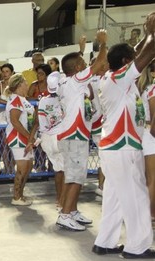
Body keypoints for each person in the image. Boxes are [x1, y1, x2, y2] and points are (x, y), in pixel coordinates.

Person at [93, 16, 155, 258]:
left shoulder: (114, 78)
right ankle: (137, 247)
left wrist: (143, 41)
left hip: (113, 148)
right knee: (137, 195)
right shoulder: (119, 78)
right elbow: (147, 53)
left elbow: (139, 52)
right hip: (122, 147)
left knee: (116, 198)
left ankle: (105, 242)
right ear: (126, 63)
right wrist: (151, 31)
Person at [55, 30, 108, 231]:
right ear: (78, 69)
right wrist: (102, 44)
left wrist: (80, 51)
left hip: (70, 134)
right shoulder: (76, 81)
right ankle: (66, 214)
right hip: (74, 134)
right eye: (83, 65)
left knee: (73, 175)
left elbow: (75, 65)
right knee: (77, 177)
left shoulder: (65, 80)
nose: (87, 67)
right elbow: (99, 63)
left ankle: (72, 210)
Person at [5, 74, 38, 206]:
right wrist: (29, 137)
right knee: (22, 168)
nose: (27, 85)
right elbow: (15, 121)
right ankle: (16, 197)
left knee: (28, 166)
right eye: (25, 83)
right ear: (19, 85)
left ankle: (21, 195)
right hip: (18, 138)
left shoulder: (22, 99)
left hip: (25, 137)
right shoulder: (15, 101)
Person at [37, 72, 65, 207]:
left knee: (58, 170)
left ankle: (59, 200)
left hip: (46, 139)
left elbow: (40, 123)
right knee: (65, 172)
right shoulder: (65, 100)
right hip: (60, 138)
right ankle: (64, 203)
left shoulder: (43, 100)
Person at [138, 62, 155, 220]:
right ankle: (150, 215)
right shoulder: (152, 89)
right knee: (152, 179)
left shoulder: (143, 89)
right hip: (151, 136)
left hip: (143, 134)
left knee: (146, 178)